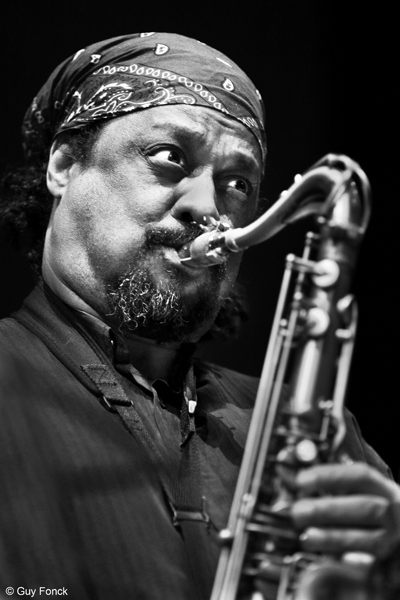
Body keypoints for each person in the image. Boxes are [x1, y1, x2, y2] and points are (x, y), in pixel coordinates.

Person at [0, 32, 399, 600]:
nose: (208, 208)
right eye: (169, 157)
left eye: (238, 183)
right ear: (64, 164)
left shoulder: (311, 433)